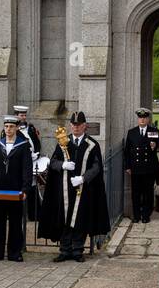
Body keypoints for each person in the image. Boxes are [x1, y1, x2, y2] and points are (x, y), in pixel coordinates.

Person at [39, 112, 109, 262]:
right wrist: (63, 165)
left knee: (80, 219)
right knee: (64, 219)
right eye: (73, 125)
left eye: (79, 125)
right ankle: (65, 250)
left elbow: (97, 167)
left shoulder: (92, 144)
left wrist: (83, 178)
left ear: (84, 126)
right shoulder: (63, 142)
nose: (76, 128)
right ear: (70, 126)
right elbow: (53, 162)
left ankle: (77, 250)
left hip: (84, 189)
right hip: (64, 189)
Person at [0, 116, 34, 261]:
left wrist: (25, 189)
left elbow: (27, 169)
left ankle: (15, 253)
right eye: (6, 127)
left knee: (16, 222)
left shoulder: (23, 145)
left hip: (16, 189)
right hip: (0, 189)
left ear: (17, 128)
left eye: (11, 126)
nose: (8, 129)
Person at [123, 108, 159, 224]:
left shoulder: (154, 131)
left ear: (148, 119)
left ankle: (146, 214)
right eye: (140, 117)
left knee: (147, 192)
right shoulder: (132, 132)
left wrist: (154, 145)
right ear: (138, 119)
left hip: (149, 168)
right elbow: (127, 151)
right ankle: (136, 215)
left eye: (144, 118)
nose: (142, 120)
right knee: (135, 192)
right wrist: (128, 166)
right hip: (135, 168)